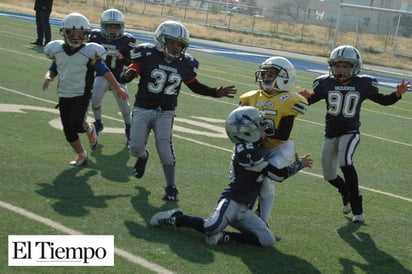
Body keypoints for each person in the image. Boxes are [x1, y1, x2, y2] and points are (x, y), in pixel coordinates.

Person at [149, 106, 313, 247]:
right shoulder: (247, 152)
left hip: (244, 208)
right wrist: (298, 165)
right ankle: (176, 217)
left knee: (267, 240)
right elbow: (277, 175)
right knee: (210, 226)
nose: (264, 131)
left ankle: (224, 237)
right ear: (247, 131)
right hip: (232, 201)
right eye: (259, 127)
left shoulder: (253, 147)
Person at [121, 20, 237, 201]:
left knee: (165, 147)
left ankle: (171, 187)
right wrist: (127, 75)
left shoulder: (185, 63)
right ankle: (143, 156)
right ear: (161, 40)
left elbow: (194, 86)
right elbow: (132, 69)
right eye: (172, 43)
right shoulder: (147, 53)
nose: (176, 48)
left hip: (165, 112)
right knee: (135, 148)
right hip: (143, 108)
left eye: (180, 45)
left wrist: (215, 92)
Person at [299, 45, 410, 223]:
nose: (341, 70)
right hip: (330, 133)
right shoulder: (324, 83)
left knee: (345, 161)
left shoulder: (363, 83)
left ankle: (358, 209)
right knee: (328, 174)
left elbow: (383, 101)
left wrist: (397, 94)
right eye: (338, 65)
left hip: (351, 132)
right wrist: (301, 98)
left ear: (355, 66)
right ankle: (345, 193)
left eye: (346, 66)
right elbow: (309, 102)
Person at [42, 12, 129, 166]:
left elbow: (105, 72)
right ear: (65, 33)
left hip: (81, 95)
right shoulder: (58, 50)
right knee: (68, 132)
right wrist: (49, 76)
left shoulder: (90, 52)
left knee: (75, 123)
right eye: (72, 33)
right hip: (63, 94)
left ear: (86, 35)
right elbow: (54, 67)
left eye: (80, 34)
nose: (76, 37)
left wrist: (118, 88)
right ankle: (82, 155)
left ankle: (90, 129)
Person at [239, 56, 308, 225]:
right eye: (265, 74)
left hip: (280, 147)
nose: (265, 78)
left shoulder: (290, 100)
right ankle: (242, 211)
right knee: (246, 179)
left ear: (284, 78)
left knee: (267, 180)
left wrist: (258, 132)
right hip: (257, 147)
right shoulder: (250, 97)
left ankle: (263, 220)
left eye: (270, 75)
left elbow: (283, 134)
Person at [89, 8, 136, 142]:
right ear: (103, 25)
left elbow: (130, 62)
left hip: (118, 77)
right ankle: (98, 123)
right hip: (101, 76)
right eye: (109, 26)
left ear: (121, 27)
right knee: (95, 98)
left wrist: (122, 59)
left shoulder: (126, 40)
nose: (112, 29)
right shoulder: (95, 37)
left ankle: (128, 127)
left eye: (116, 26)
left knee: (125, 108)